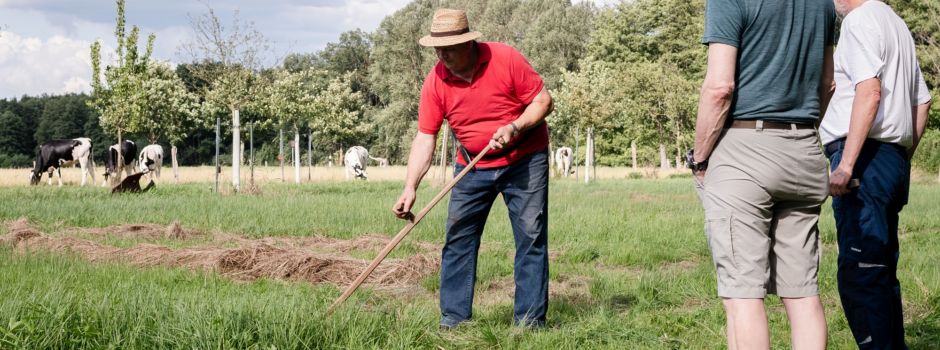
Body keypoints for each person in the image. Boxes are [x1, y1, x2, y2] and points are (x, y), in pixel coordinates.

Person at [390, 8, 554, 329]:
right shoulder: (436, 80)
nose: (442, 56)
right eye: (437, 49)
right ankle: (454, 320)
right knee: (458, 238)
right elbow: (425, 137)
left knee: (530, 237)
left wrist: (515, 127)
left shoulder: (505, 59)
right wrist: (410, 187)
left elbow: (543, 101)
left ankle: (529, 323)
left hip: (524, 159)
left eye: (449, 48)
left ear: (468, 43)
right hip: (472, 165)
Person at [689, 0, 836, 348]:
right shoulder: (824, 4)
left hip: (745, 149)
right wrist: (801, 129)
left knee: (742, 294)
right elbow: (828, 83)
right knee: (802, 292)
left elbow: (720, 88)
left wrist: (700, 158)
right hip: (804, 147)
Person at [819, 0, 933, 348]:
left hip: (864, 160)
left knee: (862, 275)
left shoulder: (858, 21)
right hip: (890, 159)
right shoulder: (896, 24)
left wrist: (846, 165)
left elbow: (869, 92)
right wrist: (901, 158)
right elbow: (923, 102)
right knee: (881, 272)